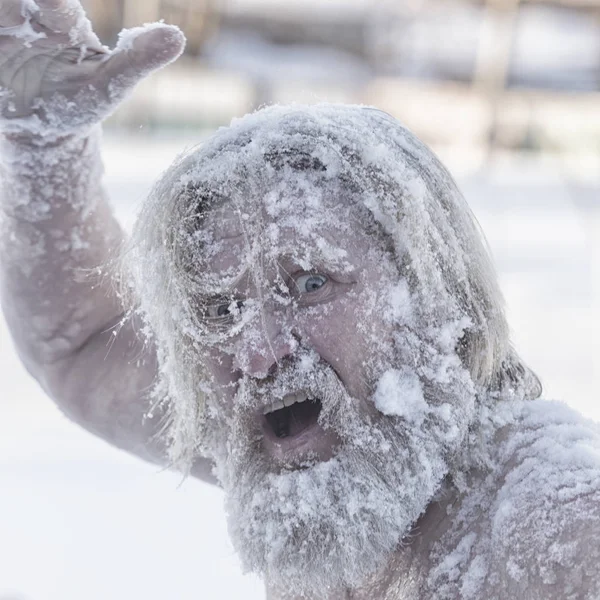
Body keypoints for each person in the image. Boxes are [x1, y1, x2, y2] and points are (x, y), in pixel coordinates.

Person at [1, 2, 599, 599]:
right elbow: (81, 340)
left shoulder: (559, 527)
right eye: (221, 310)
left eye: (312, 285)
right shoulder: (304, 465)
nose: (258, 354)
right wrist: (42, 150)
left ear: (436, 295)